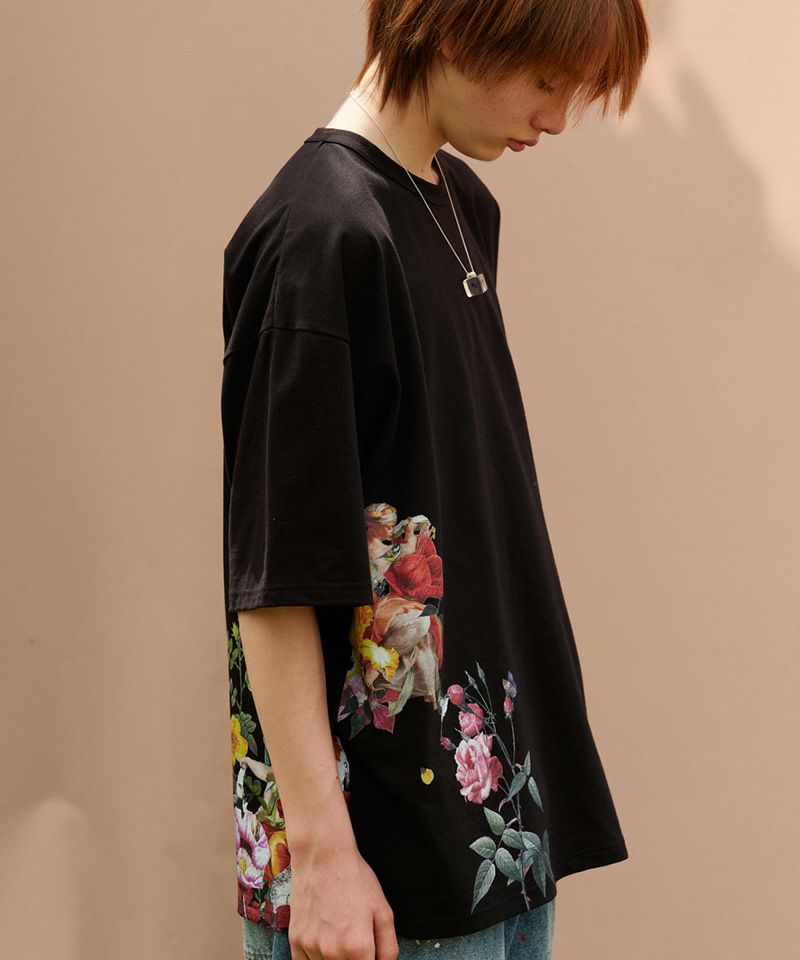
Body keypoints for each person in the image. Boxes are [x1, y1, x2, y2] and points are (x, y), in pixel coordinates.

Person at [221, 2, 650, 958]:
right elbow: (275, 576)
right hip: (376, 871)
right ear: (454, 28)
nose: (556, 118)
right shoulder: (319, 237)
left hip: (492, 832)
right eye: (545, 80)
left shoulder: (458, 206)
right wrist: (322, 856)